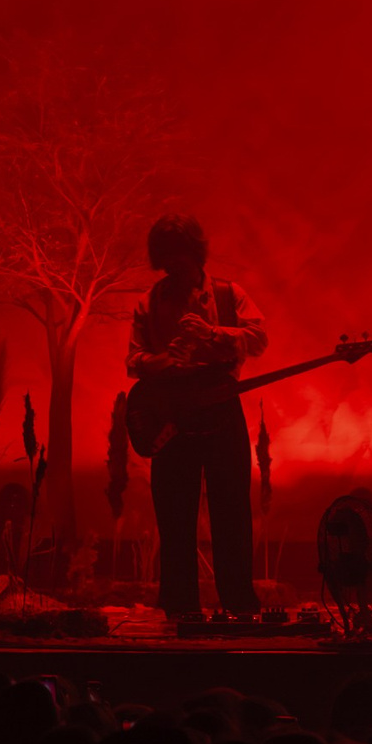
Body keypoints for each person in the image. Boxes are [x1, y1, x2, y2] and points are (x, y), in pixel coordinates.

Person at [127, 215, 267, 619]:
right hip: (171, 410)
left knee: (232, 509)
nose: (174, 269)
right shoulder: (149, 301)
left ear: (195, 255)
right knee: (173, 512)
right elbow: (133, 357)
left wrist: (212, 333)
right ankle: (179, 606)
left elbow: (258, 339)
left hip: (221, 405)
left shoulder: (229, 294)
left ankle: (239, 605)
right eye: (167, 262)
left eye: (180, 260)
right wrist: (165, 361)